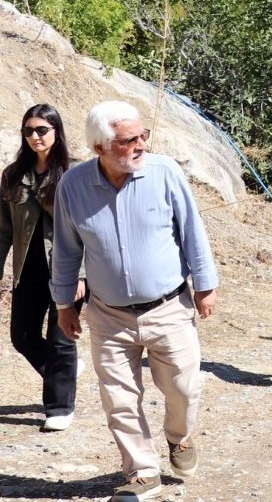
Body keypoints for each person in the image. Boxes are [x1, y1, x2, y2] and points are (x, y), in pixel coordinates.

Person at [53, 101, 219, 501]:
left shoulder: (164, 173)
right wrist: (63, 305)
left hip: (169, 307)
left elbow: (192, 230)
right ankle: (143, 472)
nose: (140, 144)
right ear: (100, 147)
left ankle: (178, 437)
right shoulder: (72, 187)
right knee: (119, 399)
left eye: (142, 135)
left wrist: (205, 283)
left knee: (183, 386)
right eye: (129, 140)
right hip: (108, 315)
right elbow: (65, 250)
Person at [1, 103, 82, 432]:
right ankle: (63, 374)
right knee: (21, 336)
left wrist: (83, 276)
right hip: (28, 269)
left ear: (57, 132)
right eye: (28, 131)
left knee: (61, 338)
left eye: (41, 130)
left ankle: (60, 407)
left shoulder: (76, 174)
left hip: (66, 268)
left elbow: (90, 231)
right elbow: (3, 230)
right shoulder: (13, 174)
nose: (34, 137)